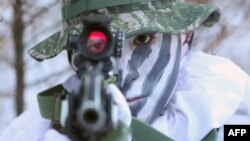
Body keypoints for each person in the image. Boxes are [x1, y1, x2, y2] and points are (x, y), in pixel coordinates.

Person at [1, 0, 250, 141]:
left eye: (142, 40)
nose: (121, 73)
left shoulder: (232, 118)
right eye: (97, 46)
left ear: (185, 36)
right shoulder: (32, 132)